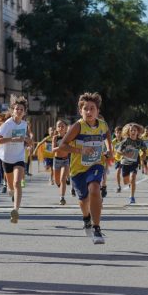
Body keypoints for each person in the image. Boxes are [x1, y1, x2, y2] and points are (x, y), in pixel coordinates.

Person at [58, 92, 113, 244]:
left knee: (95, 189)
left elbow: (107, 134)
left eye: (92, 108)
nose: (89, 112)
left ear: (97, 111)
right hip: (78, 169)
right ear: (80, 111)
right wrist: (81, 150)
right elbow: (63, 145)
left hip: (96, 164)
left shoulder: (102, 125)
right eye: (85, 109)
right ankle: (86, 218)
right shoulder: (78, 127)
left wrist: (110, 149)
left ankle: (97, 228)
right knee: (83, 200)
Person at [0, 95, 32, 224]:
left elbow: (26, 139)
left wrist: (28, 141)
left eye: (21, 109)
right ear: (12, 111)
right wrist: (13, 139)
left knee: (17, 183)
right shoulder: (7, 125)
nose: (18, 111)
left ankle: (15, 210)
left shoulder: (24, 124)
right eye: (16, 109)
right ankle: (11, 192)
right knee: (11, 187)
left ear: (24, 112)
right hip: (6, 158)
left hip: (19, 157)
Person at [117, 123, 147, 204]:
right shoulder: (125, 141)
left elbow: (144, 150)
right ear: (128, 132)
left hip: (134, 162)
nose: (133, 132)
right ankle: (130, 183)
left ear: (138, 132)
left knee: (133, 177)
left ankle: (132, 197)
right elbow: (118, 151)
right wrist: (125, 154)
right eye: (131, 130)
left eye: (135, 130)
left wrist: (143, 156)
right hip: (125, 162)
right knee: (126, 182)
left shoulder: (140, 142)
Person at [51, 120, 70, 205]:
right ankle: (60, 186)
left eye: (62, 126)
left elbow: (70, 148)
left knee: (63, 179)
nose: (61, 128)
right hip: (57, 160)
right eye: (59, 126)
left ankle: (62, 197)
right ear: (57, 128)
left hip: (65, 160)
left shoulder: (68, 137)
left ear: (66, 128)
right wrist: (61, 147)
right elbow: (53, 150)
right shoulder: (55, 137)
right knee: (57, 181)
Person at [112, 126, 124, 192]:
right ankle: (119, 186)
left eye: (120, 132)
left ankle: (129, 181)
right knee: (118, 172)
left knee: (125, 173)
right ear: (115, 133)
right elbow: (111, 150)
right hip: (117, 159)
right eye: (117, 133)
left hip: (124, 159)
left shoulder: (125, 141)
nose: (119, 134)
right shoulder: (113, 142)